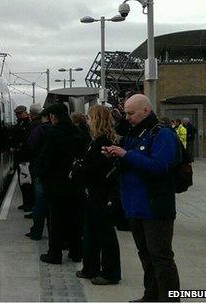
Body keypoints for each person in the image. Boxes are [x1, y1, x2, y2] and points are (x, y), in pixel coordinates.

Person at [102, 94, 180, 302]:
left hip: (155, 207)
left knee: (161, 257)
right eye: (125, 113)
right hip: (135, 206)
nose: (126, 117)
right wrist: (116, 154)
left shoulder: (162, 134)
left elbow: (158, 167)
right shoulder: (136, 133)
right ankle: (151, 295)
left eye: (130, 113)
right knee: (145, 255)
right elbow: (132, 161)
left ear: (146, 111)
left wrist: (126, 154)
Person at [75, 105, 121, 286]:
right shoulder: (98, 139)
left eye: (89, 117)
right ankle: (90, 267)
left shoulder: (103, 141)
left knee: (105, 234)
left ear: (96, 120)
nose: (87, 120)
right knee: (91, 232)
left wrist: (80, 169)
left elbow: (96, 168)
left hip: (102, 193)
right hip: (95, 192)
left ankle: (110, 273)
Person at [38, 103, 83, 264]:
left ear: (53, 116)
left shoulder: (52, 133)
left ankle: (55, 254)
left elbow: (46, 159)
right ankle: (76, 252)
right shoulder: (78, 131)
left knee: (55, 220)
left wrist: (41, 175)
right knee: (75, 219)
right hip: (75, 183)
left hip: (55, 184)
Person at [25, 107, 49, 240]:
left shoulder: (38, 130)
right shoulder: (71, 130)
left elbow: (30, 146)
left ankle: (37, 231)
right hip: (58, 174)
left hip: (40, 169)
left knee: (40, 199)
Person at [9, 105, 33, 213]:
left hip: (24, 158)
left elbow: (25, 140)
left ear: (24, 112)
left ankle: (29, 204)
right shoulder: (21, 124)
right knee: (22, 181)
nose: (18, 115)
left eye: (19, 113)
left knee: (26, 181)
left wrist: (18, 148)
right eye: (17, 114)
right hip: (20, 158)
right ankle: (26, 202)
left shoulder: (27, 124)